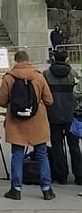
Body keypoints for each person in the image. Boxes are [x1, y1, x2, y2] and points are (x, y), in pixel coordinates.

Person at [0, 51, 55, 200]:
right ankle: (47, 190)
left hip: (16, 122)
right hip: (37, 121)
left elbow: (2, 101)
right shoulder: (39, 76)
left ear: (15, 61)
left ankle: (15, 189)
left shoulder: (9, 78)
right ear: (29, 60)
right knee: (42, 155)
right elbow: (49, 100)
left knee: (17, 154)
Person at [44, 49, 82, 185]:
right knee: (74, 146)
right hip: (70, 113)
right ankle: (79, 175)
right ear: (67, 59)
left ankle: (61, 176)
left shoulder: (47, 74)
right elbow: (78, 93)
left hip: (53, 113)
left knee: (57, 145)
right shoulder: (73, 74)